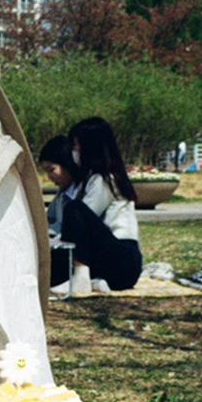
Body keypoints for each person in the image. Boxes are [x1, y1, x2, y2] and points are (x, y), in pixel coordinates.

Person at [59, 116, 143, 292]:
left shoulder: (104, 180)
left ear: (89, 148)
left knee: (74, 209)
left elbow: (81, 221)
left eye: (75, 146)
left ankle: (81, 274)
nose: (73, 152)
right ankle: (95, 281)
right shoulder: (90, 179)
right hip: (111, 261)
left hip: (122, 259)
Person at [37, 135, 85, 287]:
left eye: (52, 170)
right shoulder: (62, 194)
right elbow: (48, 221)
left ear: (67, 164)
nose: (50, 177)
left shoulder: (85, 191)